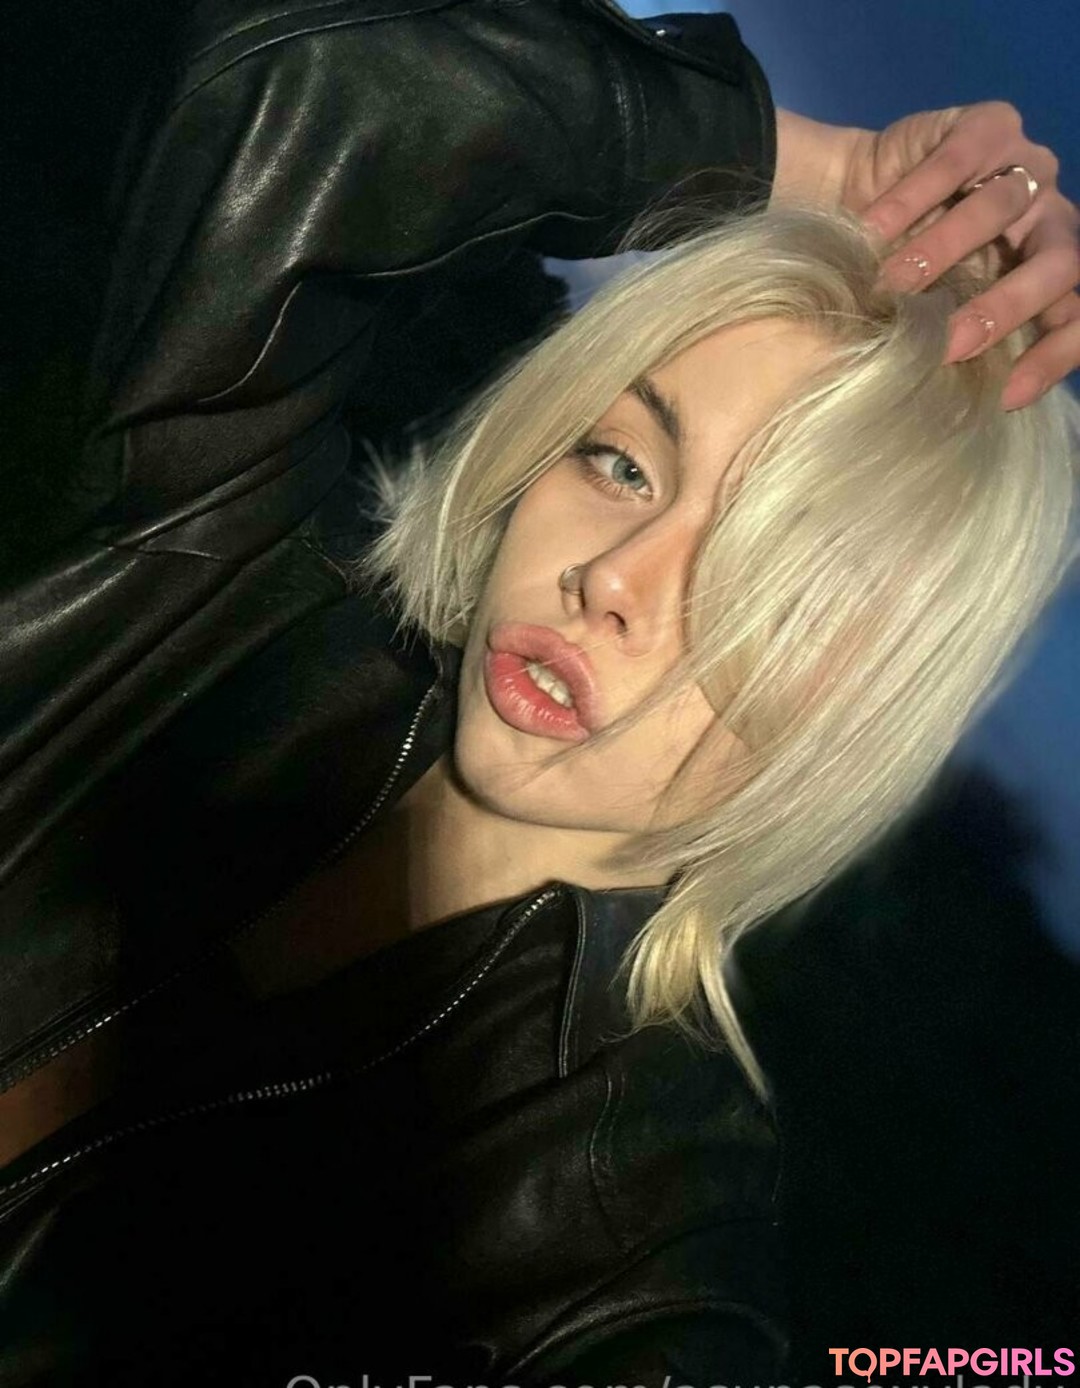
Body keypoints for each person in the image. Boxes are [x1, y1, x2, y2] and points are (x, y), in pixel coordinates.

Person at [0, 0, 1077, 1381]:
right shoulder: (211, 578)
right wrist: (804, 164)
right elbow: (310, 82)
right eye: (624, 463)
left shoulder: (617, 1249)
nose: (615, 579)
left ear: (864, 703)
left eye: (762, 577)